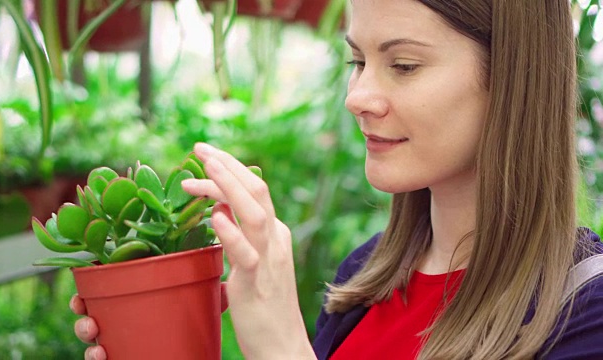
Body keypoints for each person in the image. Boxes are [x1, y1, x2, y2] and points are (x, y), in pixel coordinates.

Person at [71, 0, 603, 359]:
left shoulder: (585, 314)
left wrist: (283, 347)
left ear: (511, 77)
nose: (357, 97)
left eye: (404, 65)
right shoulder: (366, 275)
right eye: (357, 59)